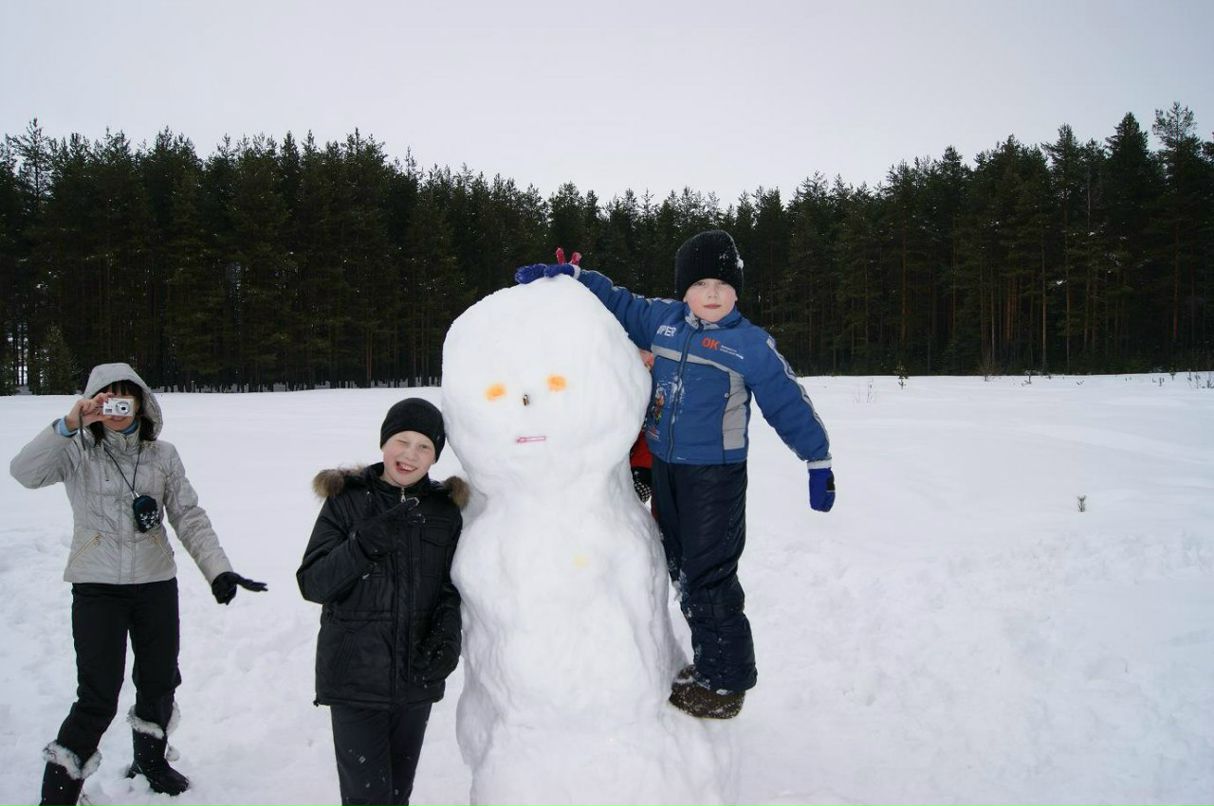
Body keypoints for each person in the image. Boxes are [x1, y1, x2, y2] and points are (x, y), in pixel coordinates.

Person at [515, 229, 834, 719]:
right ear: (684, 289)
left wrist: (817, 459)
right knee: (679, 566)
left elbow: (789, 403)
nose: (711, 294)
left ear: (737, 292)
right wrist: (574, 276)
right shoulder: (662, 322)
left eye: (722, 286)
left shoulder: (750, 345)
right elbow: (618, 301)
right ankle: (708, 663)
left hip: (716, 478)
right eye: (701, 284)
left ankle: (725, 684)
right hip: (666, 468)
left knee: (709, 577)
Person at [9, 362, 267, 806]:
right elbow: (23, 473)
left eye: (125, 398)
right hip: (96, 588)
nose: (116, 408)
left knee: (160, 681)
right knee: (97, 696)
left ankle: (150, 762)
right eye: (106, 399)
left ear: (142, 402)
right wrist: (70, 424)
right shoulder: (76, 450)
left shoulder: (163, 454)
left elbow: (188, 515)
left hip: (155, 584)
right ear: (93, 401)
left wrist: (217, 569)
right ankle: (59, 795)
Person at [297, 398, 466, 806]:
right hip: (355, 679)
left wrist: (447, 638)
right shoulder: (347, 499)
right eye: (401, 441)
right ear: (384, 442)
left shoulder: (445, 511)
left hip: (416, 680)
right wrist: (365, 541)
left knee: (397, 795)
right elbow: (313, 583)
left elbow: (450, 587)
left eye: (424, 446)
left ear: (436, 455)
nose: (410, 455)